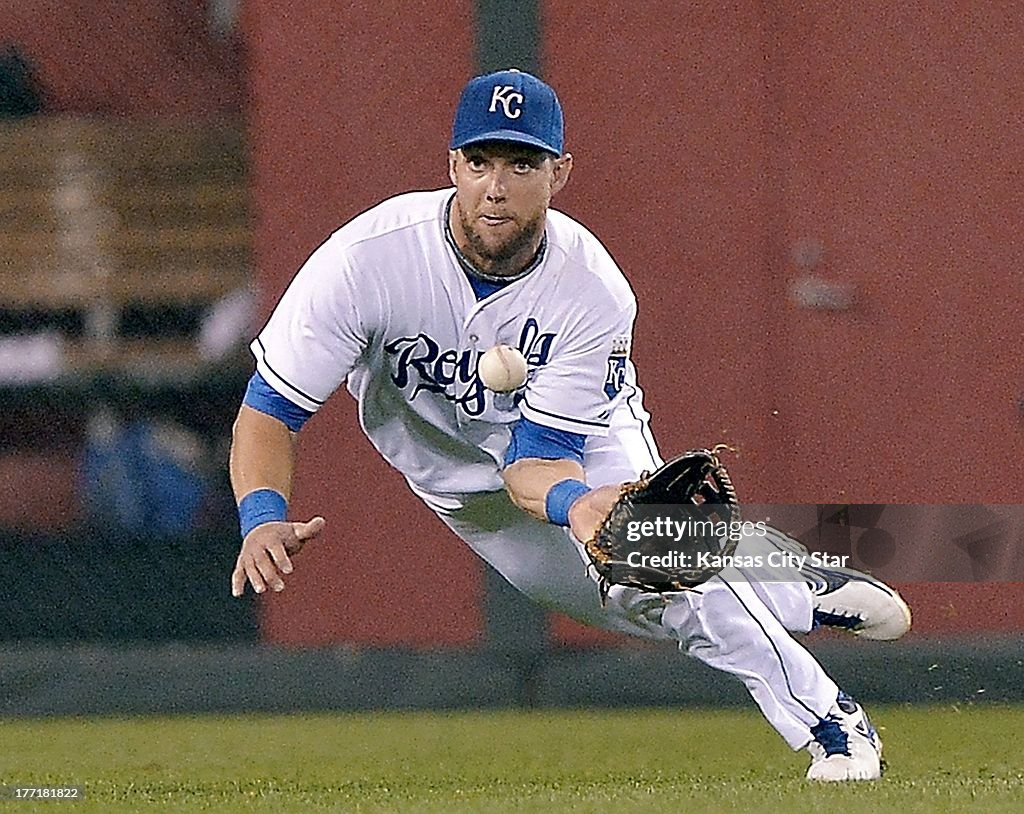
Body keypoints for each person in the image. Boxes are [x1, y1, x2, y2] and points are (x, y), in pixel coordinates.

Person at [228, 69, 911, 782]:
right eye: (481, 161)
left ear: (560, 174)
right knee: (631, 611)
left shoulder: (591, 291)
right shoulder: (366, 262)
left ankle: (834, 726)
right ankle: (788, 586)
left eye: (522, 164)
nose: (497, 185)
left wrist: (582, 501)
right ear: (453, 166)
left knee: (660, 580)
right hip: (458, 490)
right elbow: (269, 412)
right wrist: (261, 515)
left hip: (585, 445)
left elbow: (537, 462)